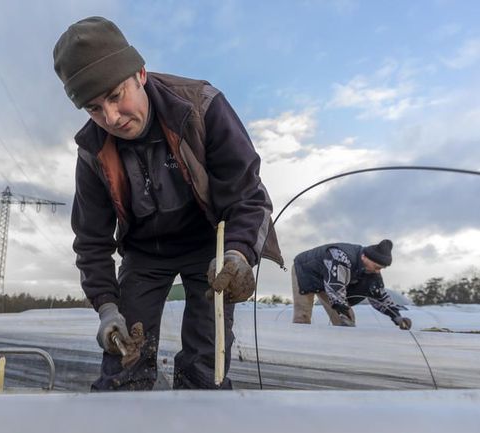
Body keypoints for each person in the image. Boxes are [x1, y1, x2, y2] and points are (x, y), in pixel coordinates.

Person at [53, 16, 283, 391]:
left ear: (140, 73)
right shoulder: (93, 150)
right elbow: (91, 240)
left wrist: (239, 254)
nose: (111, 118)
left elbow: (247, 196)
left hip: (209, 246)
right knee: (124, 357)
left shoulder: (201, 108)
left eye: (115, 96)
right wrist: (107, 309)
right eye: (94, 108)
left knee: (206, 363)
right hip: (144, 254)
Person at [291, 239, 412, 329]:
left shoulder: (372, 272)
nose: (378, 271)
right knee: (303, 315)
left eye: (381, 269)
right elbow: (335, 289)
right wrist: (343, 313)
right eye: (376, 267)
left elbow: (379, 297)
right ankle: (299, 346)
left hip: (326, 278)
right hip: (305, 270)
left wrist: (397, 317)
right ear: (365, 257)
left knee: (348, 319)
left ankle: (341, 348)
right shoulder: (341, 257)